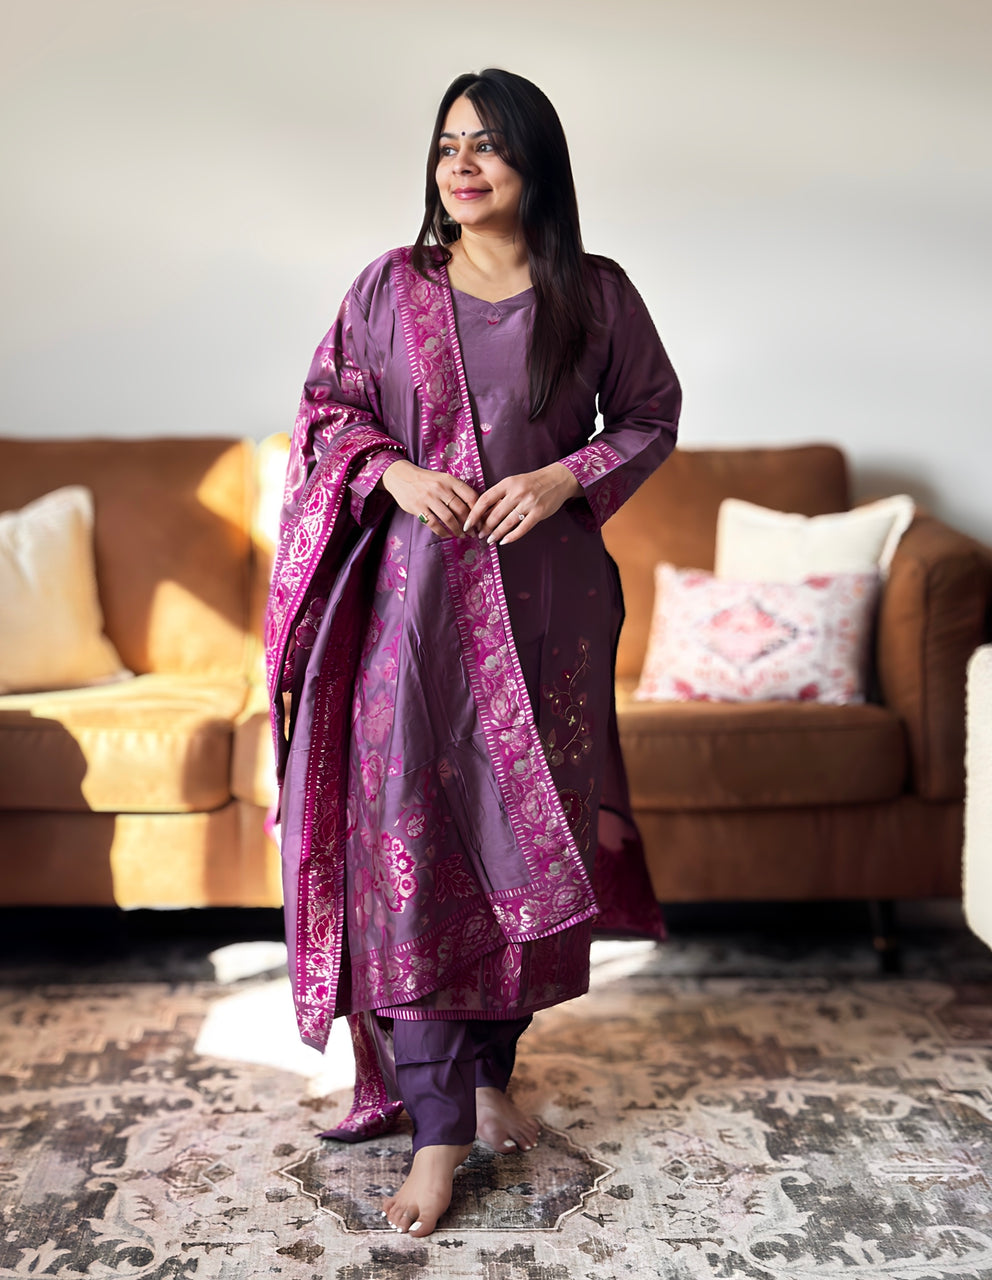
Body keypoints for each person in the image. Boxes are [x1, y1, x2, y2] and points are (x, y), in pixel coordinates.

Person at [265, 68, 681, 1239]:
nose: (463, 163)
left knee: (530, 846)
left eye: (490, 145)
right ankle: (437, 1127)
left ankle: (491, 1062)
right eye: (449, 143)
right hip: (414, 615)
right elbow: (327, 411)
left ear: (534, 164)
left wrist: (564, 477)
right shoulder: (389, 290)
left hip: (547, 613)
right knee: (415, 851)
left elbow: (649, 413)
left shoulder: (592, 293)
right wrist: (391, 470)